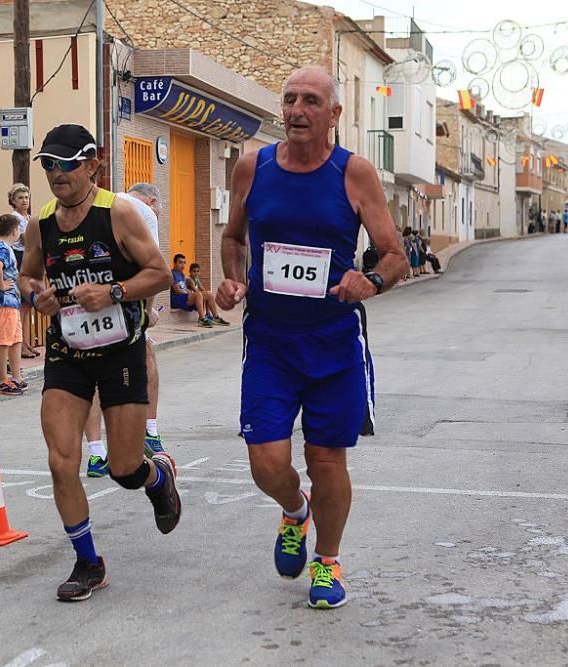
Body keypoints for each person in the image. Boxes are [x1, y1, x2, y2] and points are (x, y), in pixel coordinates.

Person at [217, 66, 407, 610]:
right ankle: (294, 511)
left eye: (311, 101)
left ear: (334, 114)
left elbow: (396, 256)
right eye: (290, 99)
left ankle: (327, 562)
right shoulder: (253, 166)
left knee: (327, 459)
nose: (297, 110)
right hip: (270, 342)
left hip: (333, 343)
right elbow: (233, 237)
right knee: (266, 463)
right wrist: (231, 279)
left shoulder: (356, 174)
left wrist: (367, 279)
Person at [20, 124, 181, 601]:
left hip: (121, 351)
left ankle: (158, 477)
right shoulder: (41, 223)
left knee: (124, 468)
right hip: (66, 353)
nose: (56, 174)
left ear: (94, 163)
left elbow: (162, 275)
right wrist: (37, 298)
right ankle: (87, 562)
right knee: (60, 460)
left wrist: (111, 291)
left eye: (67, 164)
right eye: (49, 165)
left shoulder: (121, 213)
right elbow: (27, 277)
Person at [84, 182, 173, 477]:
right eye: (159, 207)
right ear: (151, 200)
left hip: (87, 294)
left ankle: (96, 454)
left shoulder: (95, 205)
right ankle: (149, 431)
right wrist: (148, 311)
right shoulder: (144, 213)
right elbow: (154, 269)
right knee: (146, 356)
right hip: (122, 295)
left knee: (92, 374)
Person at [0, 214, 26, 396]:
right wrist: (1, 285)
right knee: (3, 339)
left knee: (15, 338)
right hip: (4, 301)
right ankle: (1, 380)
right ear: (14, 230)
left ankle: (15, 376)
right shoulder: (3, 248)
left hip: (10, 301)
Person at [8, 183, 39, 359]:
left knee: (27, 305)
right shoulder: (15, 218)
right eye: (20, 197)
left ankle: (25, 342)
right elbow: (27, 239)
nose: (24, 200)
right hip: (20, 256)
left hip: (29, 257)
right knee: (21, 305)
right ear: (13, 200)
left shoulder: (28, 217)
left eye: (26, 197)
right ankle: (18, 344)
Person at [170, 254, 220, 327]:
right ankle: (202, 319)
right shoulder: (172, 274)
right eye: (180, 262)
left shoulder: (182, 274)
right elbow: (177, 290)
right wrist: (189, 292)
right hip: (177, 298)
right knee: (198, 294)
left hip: (184, 297)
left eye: (184, 263)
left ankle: (216, 317)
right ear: (174, 263)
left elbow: (184, 288)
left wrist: (188, 292)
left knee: (208, 294)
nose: (182, 265)